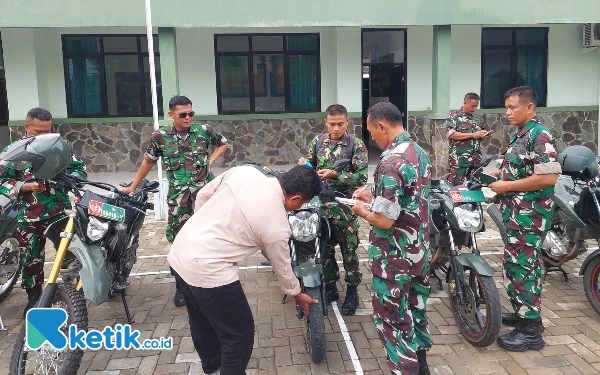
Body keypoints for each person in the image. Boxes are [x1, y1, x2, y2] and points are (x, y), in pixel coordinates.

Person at [168, 164, 321, 375]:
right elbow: (283, 268)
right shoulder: (277, 224)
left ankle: (213, 368)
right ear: (295, 199)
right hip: (209, 270)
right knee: (239, 335)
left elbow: (203, 194)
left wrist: (205, 227)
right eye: (302, 203)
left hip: (181, 250)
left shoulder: (247, 171)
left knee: (201, 321)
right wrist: (296, 293)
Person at [122, 95, 229, 307]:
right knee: (179, 242)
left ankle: (210, 285)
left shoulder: (204, 131)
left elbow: (223, 144)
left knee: (210, 239)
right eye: (183, 114)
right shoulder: (160, 137)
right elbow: (148, 161)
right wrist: (133, 186)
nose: (188, 118)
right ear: (171, 115)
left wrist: (211, 160)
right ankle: (182, 288)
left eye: (191, 113)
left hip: (205, 196)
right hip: (178, 200)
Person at [352, 102, 432, 375]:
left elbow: (384, 220)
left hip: (393, 259)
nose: (371, 137)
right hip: (418, 253)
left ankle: (405, 369)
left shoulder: (390, 161)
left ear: (382, 125)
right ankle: (421, 366)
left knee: (394, 321)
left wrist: (362, 210)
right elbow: (405, 201)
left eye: (371, 131)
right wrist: (373, 196)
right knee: (416, 310)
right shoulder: (418, 152)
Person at [489, 86, 561, 351]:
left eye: (513, 107)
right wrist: (502, 175)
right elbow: (526, 169)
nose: (507, 112)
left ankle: (530, 332)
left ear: (529, 108)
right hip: (518, 215)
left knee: (522, 268)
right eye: (506, 107)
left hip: (529, 217)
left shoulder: (539, 135)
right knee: (518, 266)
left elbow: (548, 177)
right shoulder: (522, 134)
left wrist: (506, 187)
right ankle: (525, 315)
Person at [0, 107, 87, 316]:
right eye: (38, 132)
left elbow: (79, 169)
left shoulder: (60, 147)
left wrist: (70, 180)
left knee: (70, 256)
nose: (44, 136)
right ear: (26, 127)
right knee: (31, 261)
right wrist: (24, 187)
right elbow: (2, 180)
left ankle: (72, 297)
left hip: (59, 212)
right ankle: (34, 299)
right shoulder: (14, 151)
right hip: (28, 215)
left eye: (48, 131)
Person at [297, 104, 368, 316]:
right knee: (325, 249)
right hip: (321, 206)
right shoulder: (318, 142)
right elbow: (309, 167)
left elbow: (362, 177)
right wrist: (304, 165)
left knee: (349, 251)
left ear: (347, 122)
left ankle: (353, 291)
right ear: (325, 122)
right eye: (332, 124)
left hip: (345, 207)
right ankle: (331, 287)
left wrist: (336, 175)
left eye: (340, 124)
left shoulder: (356, 145)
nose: (336, 128)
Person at [445, 92, 491, 186]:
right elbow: (451, 134)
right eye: (472, 106)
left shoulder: (478, 119)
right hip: (460, 161)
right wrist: (473, 134)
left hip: (475, 160)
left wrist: (483, 136)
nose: (474, 108)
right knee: (454, 188)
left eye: (476, 106)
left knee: (475, 187)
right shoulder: (454, 117)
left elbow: (477, 136)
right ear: (464, 103)